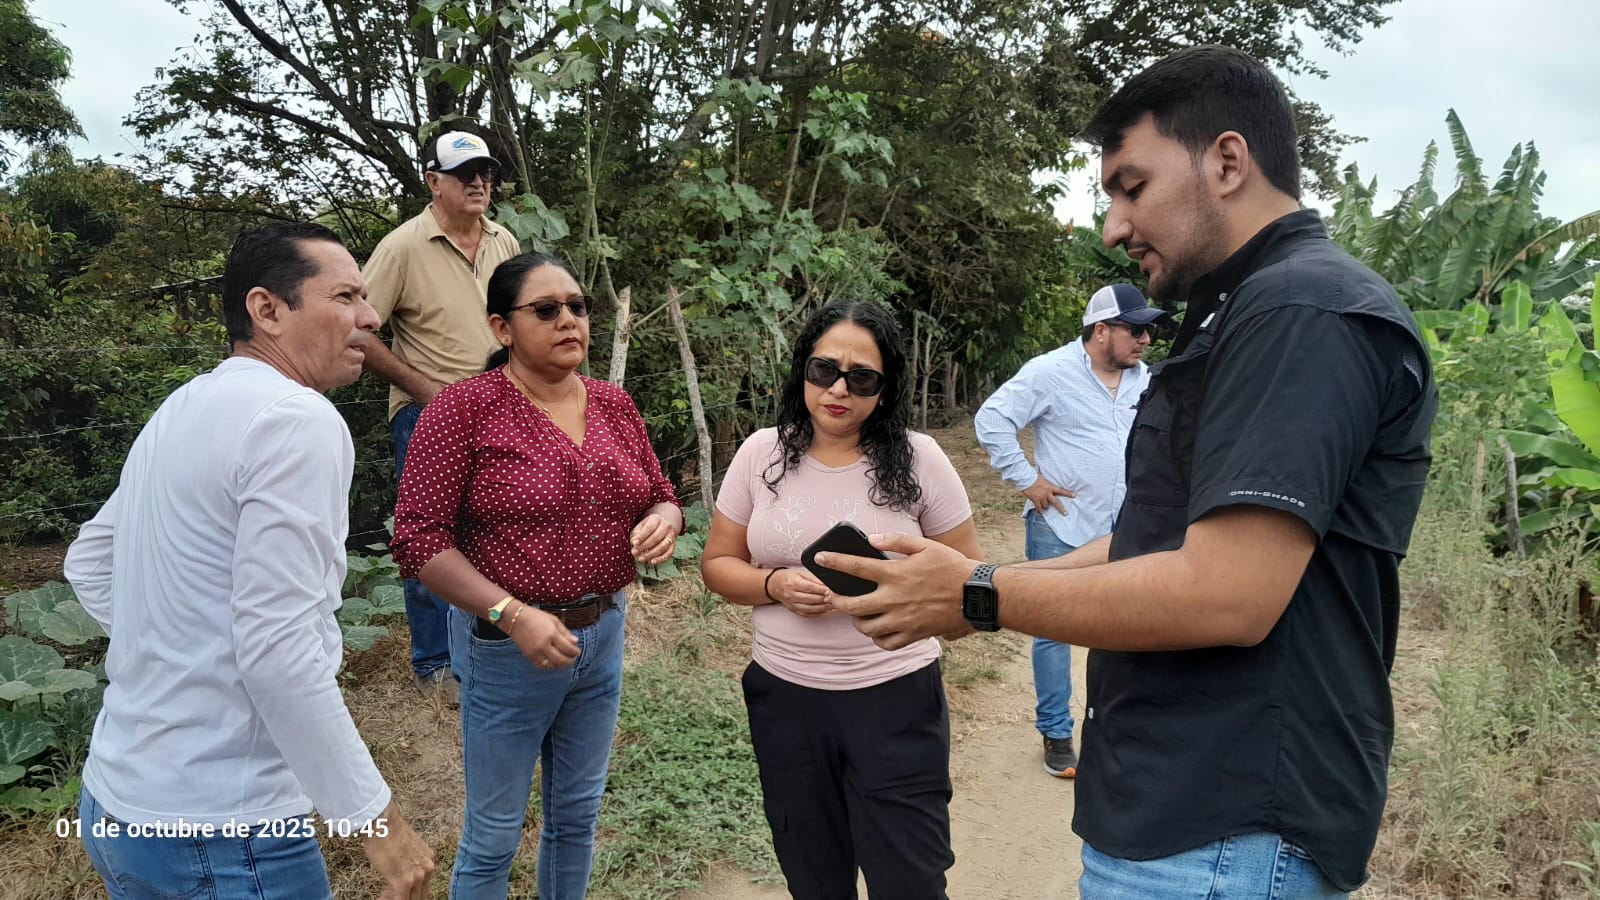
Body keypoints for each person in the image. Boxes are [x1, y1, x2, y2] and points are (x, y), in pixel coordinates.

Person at [823, 45, 1437, 897]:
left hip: (1226, 829)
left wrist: (979, 594)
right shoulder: (1243, 314)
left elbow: (1226, 592)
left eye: (1132, 187)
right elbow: (1157, 542)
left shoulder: (1301, 311)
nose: (1113, 226)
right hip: (1180, 815)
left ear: (1227, 162)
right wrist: (974, 587)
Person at [63, 223, 434, 900]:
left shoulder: (183, 405)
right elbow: (278, 650)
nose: (370, 316)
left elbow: (89, 561)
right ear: (267, 309)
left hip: (116, 804)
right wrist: (376, 823)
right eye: (346, 296)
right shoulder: (297, 418)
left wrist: (182, 656)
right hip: (224, 830)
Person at [390, 252, 682, 900]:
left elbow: (662, 493)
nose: (568, 320)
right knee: (494, 835)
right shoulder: (463, 410)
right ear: (502, 327)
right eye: (546, 309)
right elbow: (418, 539)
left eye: (577, 306)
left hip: (602, 635)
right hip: (505, 649)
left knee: (576, 819)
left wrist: (664, 519)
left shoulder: (614, 404)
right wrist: (512, 614)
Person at [702, 300, 980, 900]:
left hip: (895, 699)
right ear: (803, 368)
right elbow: (717, 565)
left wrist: (905, 603)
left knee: (910, 879)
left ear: (886, 388)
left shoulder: (922, 460)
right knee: (813, 875)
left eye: (862, 378)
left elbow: (971, 586)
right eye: (824, 369)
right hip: (785, 700)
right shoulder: (760, 454)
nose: (838, 390)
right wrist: (773, 585)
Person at [974, 282, 1166, 779]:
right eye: (1135, 330)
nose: (1146, 340)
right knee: (1052, 632)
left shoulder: (1148, 381)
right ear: (1101, 330)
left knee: (1124, 625)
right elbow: (992, 419)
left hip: (1124, 527)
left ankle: (1116, 728)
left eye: (1148, 331)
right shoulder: (1050, 372)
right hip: (1061, 524)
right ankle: (1056, 732)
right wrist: (1028, 480)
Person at [361, 129, 524, 699]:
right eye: (464, 174)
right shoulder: (401, 248)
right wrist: (423, 388)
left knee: (499, 528)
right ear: (433, 181)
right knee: (429, 538)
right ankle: (434, 663)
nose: (479, 183)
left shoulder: (504, 240)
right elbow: (360, 330)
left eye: (485, 173)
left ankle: (487, 643)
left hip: (500, 410)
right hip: (427, 415)